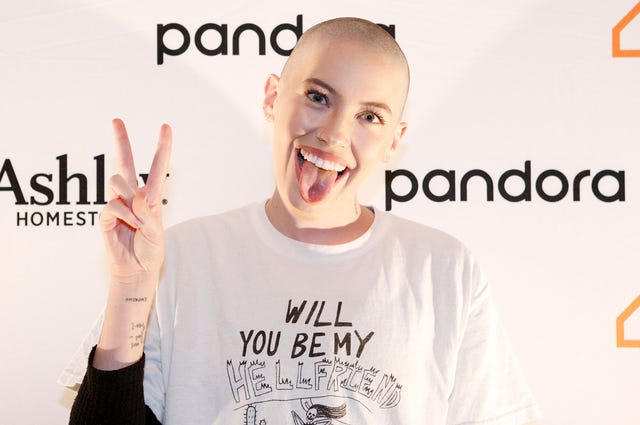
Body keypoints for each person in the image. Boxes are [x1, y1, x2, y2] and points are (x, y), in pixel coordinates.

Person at [65, 17, 541, 425]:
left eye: (369, 117)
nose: (334, 133)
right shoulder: (181, 256)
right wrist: (132, 284)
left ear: (394, 141)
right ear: (273, 97)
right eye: (318, 97)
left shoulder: (444, 268)